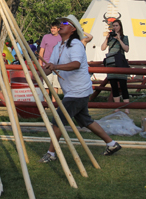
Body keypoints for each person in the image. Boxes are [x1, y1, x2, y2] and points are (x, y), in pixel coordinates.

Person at [39, 14, 121, 163]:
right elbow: (50, 67)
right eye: (61, 22)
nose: (61, 24)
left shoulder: (76, 44)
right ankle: (112, 144)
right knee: (85, 120)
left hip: (78, 90)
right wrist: (38, 74)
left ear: (73, 29)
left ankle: (51, 153)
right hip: (73, 91)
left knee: (58, 120)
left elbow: (76, 64)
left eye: (66, 23)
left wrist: (56, 66)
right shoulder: (58, 47)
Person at [101, 19, 130, 114]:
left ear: (120, 27)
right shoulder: (110, 38)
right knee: (114, 86)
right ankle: (117, 107)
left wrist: (119, 39)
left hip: (120, 63)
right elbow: (102, 48)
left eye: (117, 25)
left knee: (123, 85)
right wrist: (106, 38)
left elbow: (126, 49)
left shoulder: (124, 37)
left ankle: (126, 107)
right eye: (113, 26)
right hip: (111, 63)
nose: (115, 27)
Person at [39, 21, 62, 93]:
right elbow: (41, 50)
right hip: (46, 64)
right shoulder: (46, 37)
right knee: (46, 86)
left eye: (54, 28)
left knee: (55, 86)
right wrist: (40, 63)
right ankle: (46, 100)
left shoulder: (61, 38)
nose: (52, 30)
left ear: (58, 29)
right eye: (51, 28)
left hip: (57, 65)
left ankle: (54, 100)